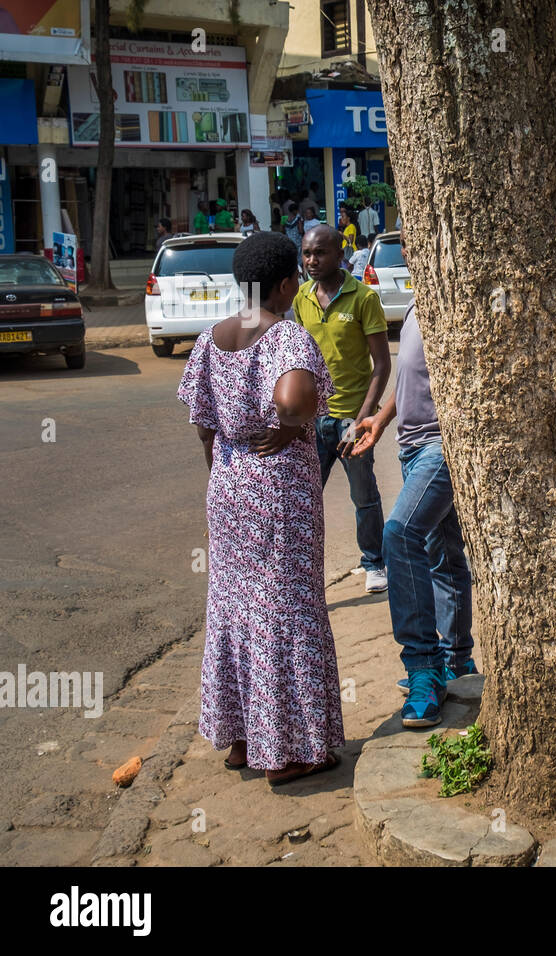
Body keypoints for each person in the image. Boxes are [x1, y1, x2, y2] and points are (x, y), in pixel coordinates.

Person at [176, 231, 343, 786]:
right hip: (277, 493)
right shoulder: (286, 337)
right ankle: (292, 752)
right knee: (286, 611)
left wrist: (229, 464)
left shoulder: (211, 338)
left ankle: (246, 740)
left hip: (228, 489)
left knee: (235, 609)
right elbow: (295, 400)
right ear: (285, 284)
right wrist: (289, 425)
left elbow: (203, 424)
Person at [350, 231, 476, 729]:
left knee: (399, 533)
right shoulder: (420, 303)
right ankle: (457, 659)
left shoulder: (455, 302)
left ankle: (424, 669)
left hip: (441, 447)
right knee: (444, 556)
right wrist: (379, 423)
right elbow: (409, 381)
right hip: (410, 444)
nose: (407, 253)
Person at [293, 225, 392, 592]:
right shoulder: (302, 297)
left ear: (340, 254)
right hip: (313, 420)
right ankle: (302, 571)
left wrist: (364, 419)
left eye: (319, 253)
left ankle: (375, 563)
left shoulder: (362, 298)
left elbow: (381, 364)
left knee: (363, 496)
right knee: (303, 496)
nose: (311, 261)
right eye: (306, 254)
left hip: (352, 417)